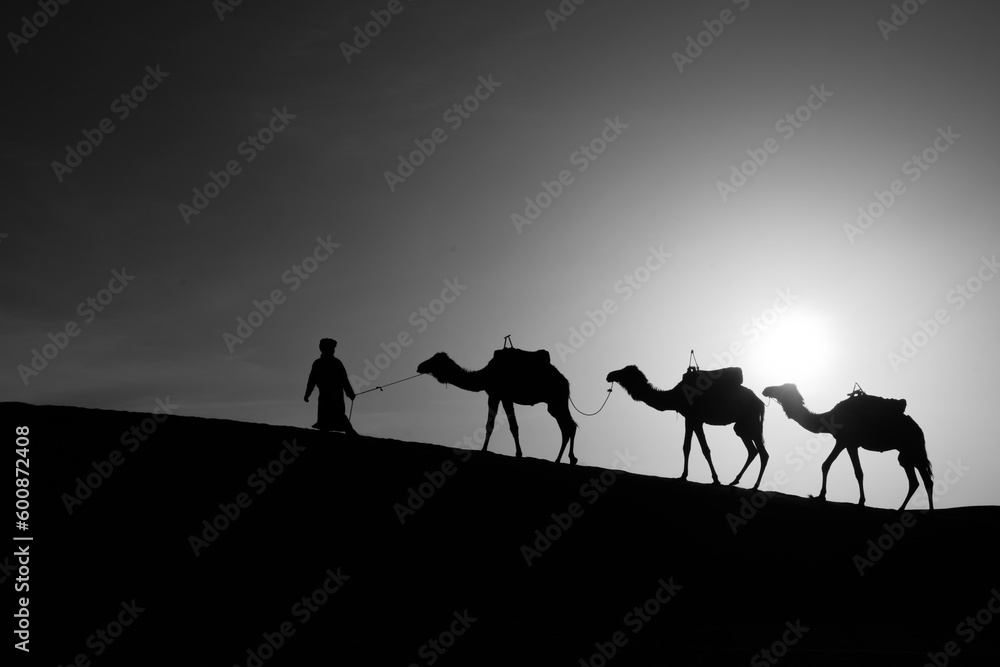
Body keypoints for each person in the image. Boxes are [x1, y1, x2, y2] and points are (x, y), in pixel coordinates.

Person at [304, 338, 358, 435]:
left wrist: (350, 393)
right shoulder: (329, 363)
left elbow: (344, 379)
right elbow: (312, 381)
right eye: (332, 348)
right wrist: (307, 394)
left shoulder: (325, 363)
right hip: (327, 396)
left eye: (333, 348)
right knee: (328, 417)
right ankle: (350, 434)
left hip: (334, 395)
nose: (333, 350)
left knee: (336, 415)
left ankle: (350, 433)